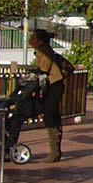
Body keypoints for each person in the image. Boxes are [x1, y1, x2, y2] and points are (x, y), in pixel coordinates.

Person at [27, 28, 72, 161]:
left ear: (39, 41)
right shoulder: (42, 51)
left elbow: (44, 69)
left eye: (33, 38)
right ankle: (55, 151)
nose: (30, 40)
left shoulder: (44, 52)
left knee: (50, 115)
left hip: (54, 86)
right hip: (53, 85)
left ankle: (54, 152)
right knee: (52, 115)